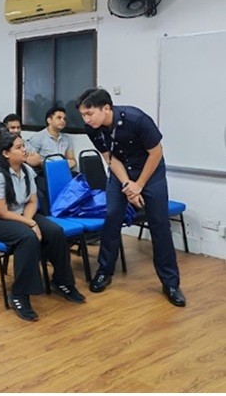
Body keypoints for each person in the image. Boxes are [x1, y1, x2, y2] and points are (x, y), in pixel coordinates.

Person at [76, 88, 185, 306]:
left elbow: (156, 153)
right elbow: (109, 157)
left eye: (89, 113)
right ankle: (104, 272)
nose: (86, 119)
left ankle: (171, 283)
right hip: (121, 172)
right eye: (83, 115)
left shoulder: (136, 119)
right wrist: (127, 185)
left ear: (106, 108)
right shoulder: (92, 129)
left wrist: (139, 185)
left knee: (159, 224)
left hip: (150, 172)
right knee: (112, 217)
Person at [0, 132, 85, 321]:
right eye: (19, 147)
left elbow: (32, 201)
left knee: (55, 232)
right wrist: (30, 223)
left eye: (23, 145)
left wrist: (28, 219)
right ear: (6, 153)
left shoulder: (26, 170)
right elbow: (1, 212)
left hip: (19, 213)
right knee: (27, 237)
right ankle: (19, 293)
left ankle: (61, 282)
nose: (24, 150)